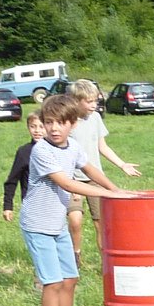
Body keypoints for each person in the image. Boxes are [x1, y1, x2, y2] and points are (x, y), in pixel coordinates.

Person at [20, 95, 138, 306]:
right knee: (52, 282)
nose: (53, 128)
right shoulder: (41, 150)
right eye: (49, 122)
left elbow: (89, 169)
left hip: (57, 224)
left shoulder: (72, 146)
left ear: (73, 124)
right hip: (37, 225)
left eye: (60, 123)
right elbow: (67, 183)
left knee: (70, 278)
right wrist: (108, 195)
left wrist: (115, 189)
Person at [64, 79, 139, 262]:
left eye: (95, 101)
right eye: (89, 102)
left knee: (100, 223)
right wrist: (70, 184)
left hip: (95, 177)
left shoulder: (96, 118)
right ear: (76, 101)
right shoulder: (67, 121)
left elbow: (102, 147)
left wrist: (122, 164)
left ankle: (106, 261)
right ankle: (75, 256)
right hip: (72, 179)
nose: (94, 105)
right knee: (75, 219)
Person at [1, 111, 45, 222]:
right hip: (31, 205)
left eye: (41, 127)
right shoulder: (24, 152)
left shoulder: (55, 150)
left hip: (53, 205)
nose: (37, 131)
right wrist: (7, 206)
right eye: (33, 126)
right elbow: (12, 180)